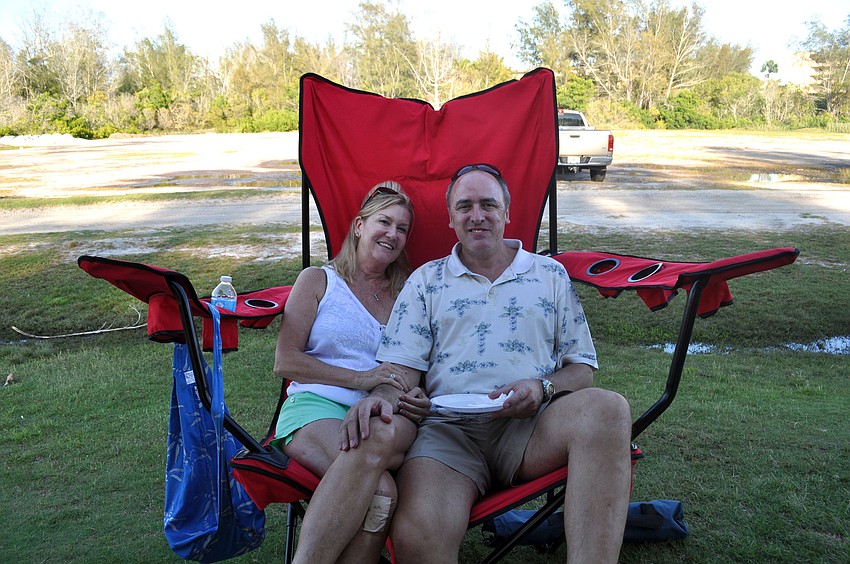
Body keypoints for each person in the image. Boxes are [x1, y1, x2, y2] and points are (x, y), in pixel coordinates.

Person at [356, 164, 633, 563]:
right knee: (418, 533)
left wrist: (542, 388)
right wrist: (388, 393)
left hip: (533, 426)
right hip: (448, 433)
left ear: (507, 211)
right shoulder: (426, 281)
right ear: (451, 219)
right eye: (464, 206)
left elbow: (582, 371)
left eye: (488, 204)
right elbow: (399, 371)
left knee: (609, 409)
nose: (477, 215)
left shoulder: (549, 275)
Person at [272, 181, 430, 563]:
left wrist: (418, 391)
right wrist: (361, 379)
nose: (392, 234)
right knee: (382, 492)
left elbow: (412, 366)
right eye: (384, 222)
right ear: (359, 225)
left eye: (402, 228)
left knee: (382, 491)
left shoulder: (408, 293)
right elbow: (286, 361)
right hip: (315, 407)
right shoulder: (318, 280)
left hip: (385, 415)